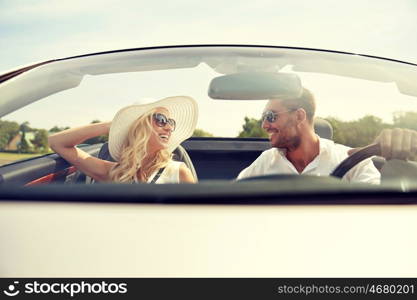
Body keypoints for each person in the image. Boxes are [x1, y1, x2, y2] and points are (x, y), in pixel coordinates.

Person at [237, 88, 417, 184]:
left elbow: (381, 212)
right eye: (264, 118)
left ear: (299, 116)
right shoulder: (266, 161)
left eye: (270, 116)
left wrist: (400, 167)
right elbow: (235, 198)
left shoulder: (352, 160)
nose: (264, 125)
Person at [48, 96, 198, 183]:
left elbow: (196, 220)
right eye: (161, 119)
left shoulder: (179, 172)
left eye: (171, 122)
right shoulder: (115, 172)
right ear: (138, 126)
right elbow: (57, 142)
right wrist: (115, 125)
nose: (169, 127)